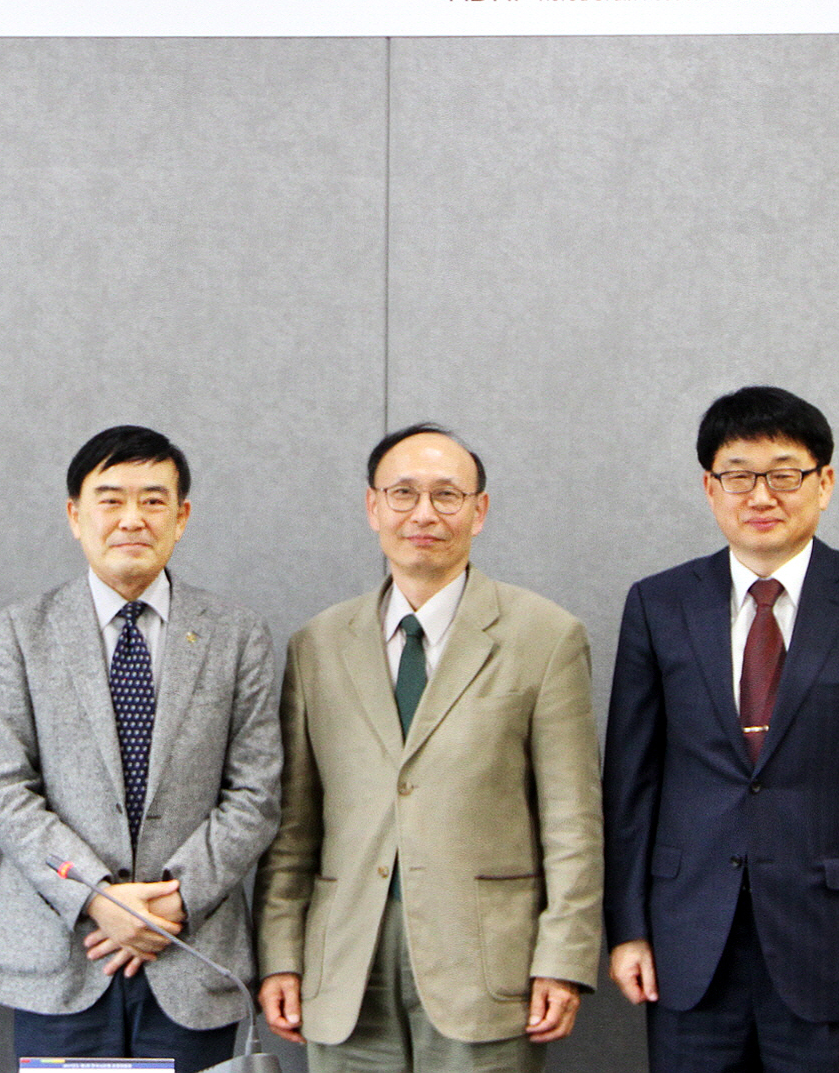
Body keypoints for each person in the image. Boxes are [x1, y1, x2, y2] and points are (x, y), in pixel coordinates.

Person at [603, 386, 839, 1072]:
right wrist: (628, 927)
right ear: (710, 488)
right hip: (687, 939)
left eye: (785, 474)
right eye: (739, 475)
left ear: (825, 482)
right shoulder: (659, 604)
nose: (761, 495)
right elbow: (629, 785)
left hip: (835, 941)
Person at [256, 424, 603, 1073]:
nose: (423, 514)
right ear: (373, 506)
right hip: (345, 962)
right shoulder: (318, 644)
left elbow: (572, 821)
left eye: (447, 495)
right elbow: (294, 827)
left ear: (480, 510)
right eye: (403, 493)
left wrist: (563, 956)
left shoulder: (545, 636)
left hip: (487, 963)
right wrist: (279, 953)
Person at [0, 425, 281, 1073]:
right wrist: (98, 896)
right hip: (62, 951)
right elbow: (6, 788)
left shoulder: (236, 634)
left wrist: (175, 900)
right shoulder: (24, 631)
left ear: (181, 517)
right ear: (75, 515)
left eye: (153, 500)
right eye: (110, 500)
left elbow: (256, 792)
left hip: (191, 952)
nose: (132, 518)